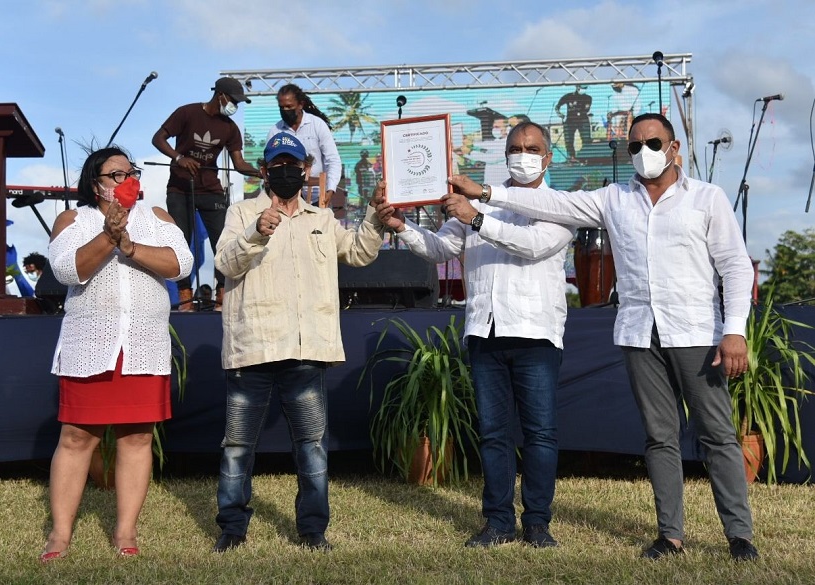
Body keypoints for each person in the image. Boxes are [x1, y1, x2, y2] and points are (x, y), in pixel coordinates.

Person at [448, 113, 759, 561]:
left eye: (653, 143)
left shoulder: (707, 198)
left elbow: (735, 265)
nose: (644, 152)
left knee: (717, 434)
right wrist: (488, 193)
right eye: (635, 146)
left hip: (696, 330)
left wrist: (734, 331)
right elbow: (554, 204)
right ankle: (670, 536)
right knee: (659, 437)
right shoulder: (614, 198)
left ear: (674, 149)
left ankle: (739, 536)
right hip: (639, 332)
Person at [376, 122, 575, 548]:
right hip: (486, 330)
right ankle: (498, 522)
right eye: (516, 148)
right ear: (504, 155)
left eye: (532, 148)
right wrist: (401, 226)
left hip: (536, 333)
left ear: (548, 157)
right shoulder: (475, 205)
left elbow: (532, 245)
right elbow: (440, 249)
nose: (523, 155)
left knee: (540, 433)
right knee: (493, 434)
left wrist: (477, 217)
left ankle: (537, 523)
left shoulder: (559, 204)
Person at [212, 133, 386, 553]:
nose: (286, 171)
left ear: (306, 170)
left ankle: (313, 530)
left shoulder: (321, 218)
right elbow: (224, 263)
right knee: (237, 447)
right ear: (264, 170)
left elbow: (359, 253)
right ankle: (232, 528)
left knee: (312, 447)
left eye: (294, 165)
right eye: (278, 165)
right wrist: (256, 232)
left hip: (306, 350)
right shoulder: (241, 212)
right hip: (253, 347)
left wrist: (375, 215)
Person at [40, 146, 193, 562]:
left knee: (138, 436)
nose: (127, 180)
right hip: (90, 344)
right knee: (76, 437)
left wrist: (129, 245)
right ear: (96, 184)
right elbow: (67, 270)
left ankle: (125, 530)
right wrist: (108, 235)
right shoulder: (74, 219)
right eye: (116, 174)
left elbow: (181, 264)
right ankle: (60, 534)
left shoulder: (156, 217)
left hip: (143, 343)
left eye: (131, 173)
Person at [152, 76, 259, 312]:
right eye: (233, 101)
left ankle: (222, 294)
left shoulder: (230, 128)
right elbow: (158, 138)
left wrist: (261, 172)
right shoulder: (187, 113)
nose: (235, 106)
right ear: (220, 95)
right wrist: (179, 158)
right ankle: (185, 295)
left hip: (211, 190)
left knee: (223, 241)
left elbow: (239, 163)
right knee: (180, 242)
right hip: (180, 189)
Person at [266, 83, 342, 206]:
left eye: (289, 106)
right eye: (281, 107)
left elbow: (332, 159)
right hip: (287, 199)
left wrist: (331, 189)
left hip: (318, 197)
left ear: (300, 104)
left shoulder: (317, 125)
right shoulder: (275, 130)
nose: (285, 110)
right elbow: (269, 163)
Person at [555, 85, 592, 160]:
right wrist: (560, 114)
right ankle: (571, 157)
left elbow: (586, 109)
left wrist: (579, 110)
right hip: (570, 120)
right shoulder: (568, 96)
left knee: (586, 139)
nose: (584, 90)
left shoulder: (588, 98)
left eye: (585, 88)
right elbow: (557, 106)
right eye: (583, 88)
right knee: (568, 140)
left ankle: (586, 158)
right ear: (578, 87)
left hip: (583, 120)